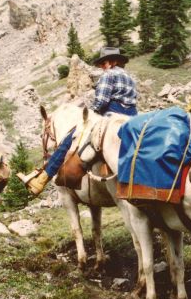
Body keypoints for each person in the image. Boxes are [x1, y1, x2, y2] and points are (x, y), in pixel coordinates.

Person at [19, 47, 138, 196]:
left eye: (104, 63)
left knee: (73, 135)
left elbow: (101, 101)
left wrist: (90, 113)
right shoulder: (130, 77)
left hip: (111, 116)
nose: (102, 66)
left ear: (113, 62)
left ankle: (43, 178)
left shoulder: (108, 75)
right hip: (133, 118)